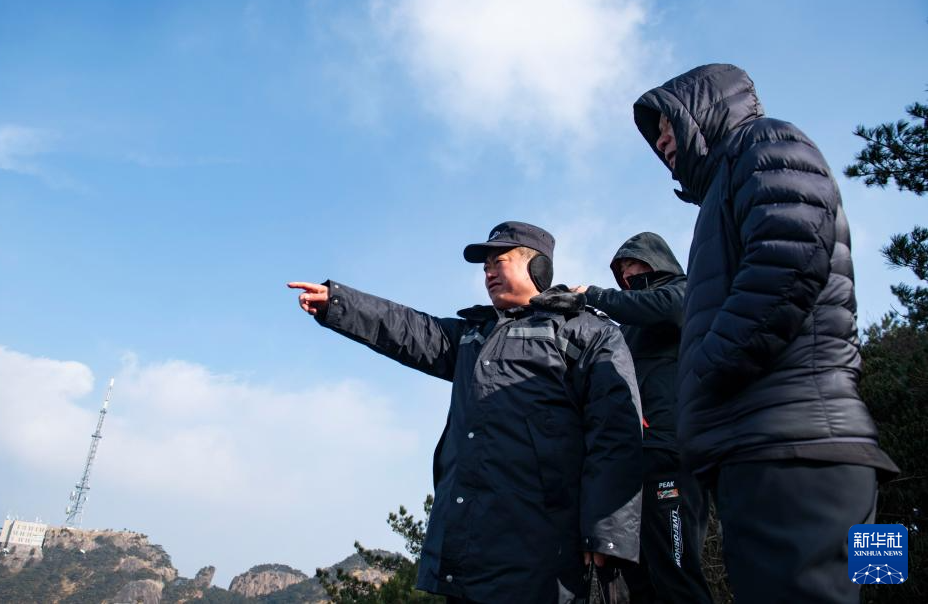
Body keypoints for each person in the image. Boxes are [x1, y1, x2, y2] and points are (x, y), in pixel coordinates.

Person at [632, 64, 898, 603]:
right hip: (799, 449)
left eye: (666, 125)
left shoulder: (764, 142)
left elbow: (790, 256)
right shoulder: (729, 181)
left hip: (791, 453)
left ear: (701, 111)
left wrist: (705, 371)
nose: (660, 142)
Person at [289, 221, 643, 604]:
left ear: (537, 267)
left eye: (498, 261)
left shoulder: (586, 332)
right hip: (470, 551)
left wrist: (608, 533)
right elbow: (407, 328)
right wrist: (339, 302)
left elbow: (616, 433)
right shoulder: (473, 336)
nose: (488, 272)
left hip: (546, 553)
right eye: (484, 266)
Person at [576, 232, 712, 603]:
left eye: (632, 263)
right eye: (621, 269)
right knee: (638, 583)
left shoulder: (685, 293)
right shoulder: (627, 328)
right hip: (632, 462)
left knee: (677, 572)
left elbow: (662, 308)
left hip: (672, 452)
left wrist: (590, 294)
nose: (627, 274)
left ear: (655, 260)